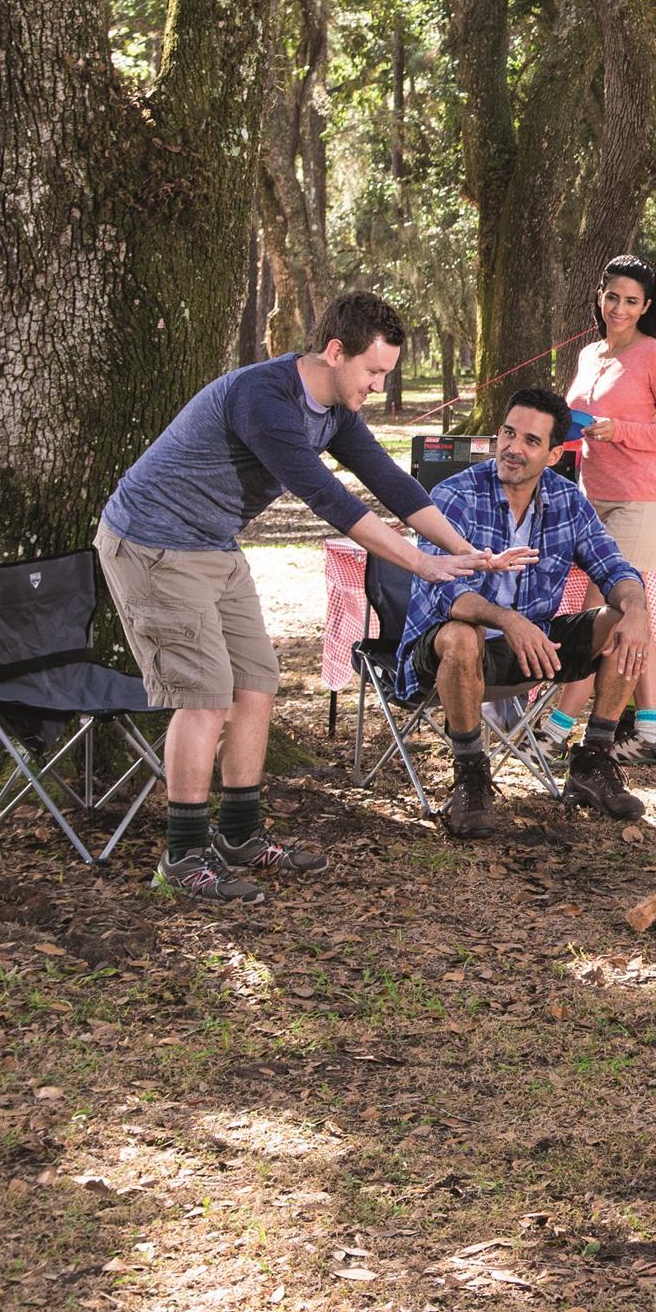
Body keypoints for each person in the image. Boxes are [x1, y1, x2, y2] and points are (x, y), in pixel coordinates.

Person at [98, 290, 522, 904]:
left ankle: (239, 836)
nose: (378, 386)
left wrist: (470, 552)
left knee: (257, 682)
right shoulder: (263, 398)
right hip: (153, 540)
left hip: (213, 542)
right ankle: (182, 856)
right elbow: (331, 501)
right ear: (334, 352)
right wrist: (423, 564)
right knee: (205, 694)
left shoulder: (337, 413)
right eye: (373, 371)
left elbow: (391, 484)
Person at [395, 388, 653, 838]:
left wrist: (636, 607)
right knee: (461, 633)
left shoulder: (567, 500)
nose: (513, 448)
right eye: (508, 433)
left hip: (530, 649)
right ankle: (471, 776)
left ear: (554, 454)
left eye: (530, 441)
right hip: (446, 654)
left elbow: (614, 567)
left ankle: (593, 760)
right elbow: (448, 596)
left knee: (621, 623)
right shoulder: (455, 495)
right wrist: (509, 621)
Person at [558, 255, 656, 760]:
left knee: (606, 615)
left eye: (631, 301)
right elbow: (578, 426)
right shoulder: (590, 354)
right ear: (600, 296)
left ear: (646, 307)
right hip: (592, 499)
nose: (618, 308)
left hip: (639, 500)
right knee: (630, 615)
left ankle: (556, 728)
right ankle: (650, 731)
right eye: (611, 297)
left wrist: (621, 431)